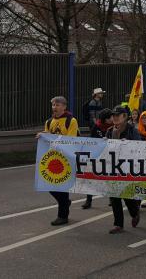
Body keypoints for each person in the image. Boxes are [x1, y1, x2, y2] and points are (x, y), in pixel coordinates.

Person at [36, 96, 79, 225]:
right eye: (53, 105)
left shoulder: (71, 121)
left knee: (62, 187)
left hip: (67, 158)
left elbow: (71, 140)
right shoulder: (49, 121)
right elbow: (47, 135)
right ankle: (65, 202)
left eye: (58, 105)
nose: (55, 107)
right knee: (50, 185)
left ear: (64, 106)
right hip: (54, 158)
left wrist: (52, 139)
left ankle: (63, 216)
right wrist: (42, 135)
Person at [106, 106, 142, 234]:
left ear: (124, 117)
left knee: (126, 195)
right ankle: (118, 224)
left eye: (118, 115)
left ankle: (134, 212)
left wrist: (128, 144)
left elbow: (139, 147)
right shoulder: (110, 131)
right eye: (113, 115)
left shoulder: (132, 130)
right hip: (113, 167)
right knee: (114, 196)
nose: (115, 117)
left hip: (127, 168)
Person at [82, 108, 112, 209]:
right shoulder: (97, 127)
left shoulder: (113, 127)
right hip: (97, 155)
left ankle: (112, 199)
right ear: (105, 119)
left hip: (109, 156)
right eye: (109, 117)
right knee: (91, 177)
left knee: (110, 178)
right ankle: (88, 200)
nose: (112, 119)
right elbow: (91, 140)